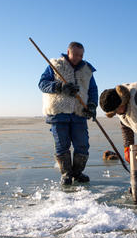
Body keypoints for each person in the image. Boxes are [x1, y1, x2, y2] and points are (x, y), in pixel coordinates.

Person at [38, 42, 98, 185]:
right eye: (75, 54)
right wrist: (60, 87)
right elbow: (42, 83)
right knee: (62, 144)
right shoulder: (55, 65)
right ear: (68, 52)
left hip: (79, 112)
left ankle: (77, 173)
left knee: (82, 145)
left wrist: (92, 105)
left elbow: (93, 90)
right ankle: (66, 174)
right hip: (59, 113)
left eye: (81, 55)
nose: (78, 57)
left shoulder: (87, 70)